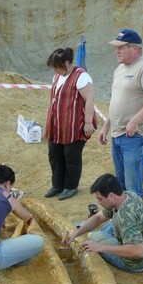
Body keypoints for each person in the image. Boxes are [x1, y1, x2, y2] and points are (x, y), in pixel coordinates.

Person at [99, 29, 143, 200]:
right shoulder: (120, 69)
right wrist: (106, 125)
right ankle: (125, 214)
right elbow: (117, 100)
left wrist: (135, 121)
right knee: (121, 183)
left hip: (135, 136)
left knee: (132, 185)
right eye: (116, 48)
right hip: (118, 133)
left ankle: (135, 217)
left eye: (121, 47)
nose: (117, 51)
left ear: (134, 48)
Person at [61, 173, 143, 273]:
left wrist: (99, 247)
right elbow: (98, 217)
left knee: (93, 236)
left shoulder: (125, 218)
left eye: (100, 199)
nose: (98, 203)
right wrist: (75, 233)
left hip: (139, 263)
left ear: (111, 196)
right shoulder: (128, 195)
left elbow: (138, 251)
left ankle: (110, 243)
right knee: (112, 222)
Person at [43, 47, 97, 201]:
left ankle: (71, 186)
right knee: (54, 153)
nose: (55, 70)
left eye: (57, 67)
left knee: (71, 155)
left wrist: (88, 123)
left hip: (73, 124)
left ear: (67, 63)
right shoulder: (57, 76)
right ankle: (57, 184)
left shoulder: (81, 77)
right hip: (57, 123)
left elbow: (89, 100)